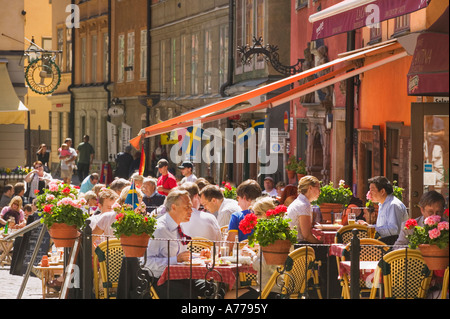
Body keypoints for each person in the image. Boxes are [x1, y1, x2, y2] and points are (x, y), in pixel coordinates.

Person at [144, 189, 210, 299]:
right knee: (188, 294)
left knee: (214, 287)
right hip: (161, 280)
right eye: (187, 207)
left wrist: (199, 256)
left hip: (182, 277)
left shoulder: (178, 226)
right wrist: (176, 260)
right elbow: (146, 262)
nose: (191, 211)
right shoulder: (159, 229)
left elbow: (182, 256)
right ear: (174, 207)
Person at [225, 196, 280, 299]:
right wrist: (259, 249)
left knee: (228, 295)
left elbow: (261, 266)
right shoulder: (280, 232)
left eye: (257, 214)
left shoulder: (269, 235)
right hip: (281, 286)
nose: (255, 217)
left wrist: (252, 254)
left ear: (268, 215)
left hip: (269, 289)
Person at [368, 176, 408, 245]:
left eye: (372, 190)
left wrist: (373, 228)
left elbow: (394, 230)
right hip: (384, 243)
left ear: (382, 191)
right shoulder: (382, 204)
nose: (369, 194)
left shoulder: (393, 205)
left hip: (393, 247)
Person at [227, 179, 262, 246]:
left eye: (238, 199)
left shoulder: (236, 216)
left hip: (242, 254)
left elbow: (229, 246)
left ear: (244, 197)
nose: (238, 204)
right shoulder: (266, 215)